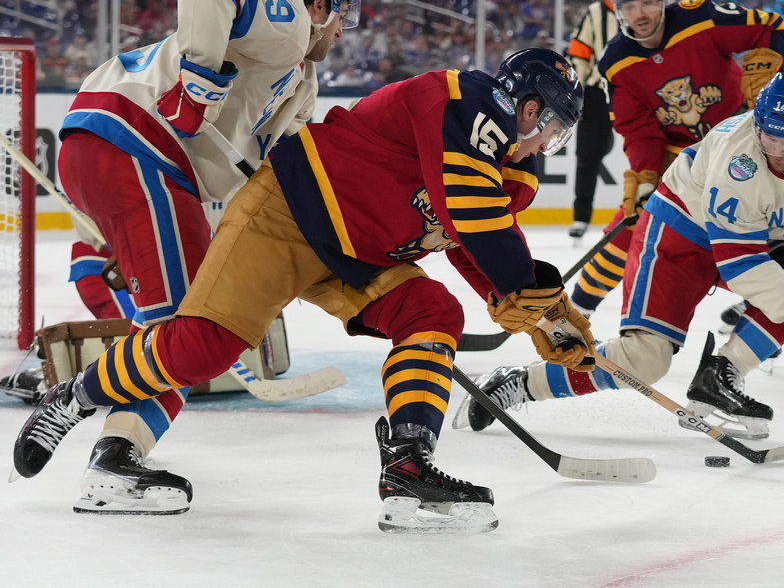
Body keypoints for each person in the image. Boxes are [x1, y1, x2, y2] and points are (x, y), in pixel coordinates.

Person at [13, 48, 595, 533]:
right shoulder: (461, 99)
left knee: (431, 310)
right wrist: (526, 290)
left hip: (360, 255)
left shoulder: (509, 167)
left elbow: (470, 242)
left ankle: (409, 469)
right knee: (203, 347)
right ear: (527, 105)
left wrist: (545, 319)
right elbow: (471, 214)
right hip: (288, 214)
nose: (550, 144)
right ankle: (73, 397)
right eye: (553, 128)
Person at [25, 0, 361, 515]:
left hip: (125, 157)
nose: (342, 31)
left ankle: (113, 454)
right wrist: (200, 81)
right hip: (137, 145)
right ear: (321, 3)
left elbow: (262, 186)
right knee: (188, 340)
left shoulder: (300, 85)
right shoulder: (289, 19)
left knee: (180, 340)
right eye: (343, 14)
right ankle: (84, 413)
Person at [457, 74, 784, 441]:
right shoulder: (737, 162)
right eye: (770, 137)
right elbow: (743, 268)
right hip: (679, 235)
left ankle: (720, 375)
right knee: (644, 361)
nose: (779, 151)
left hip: (754, 236)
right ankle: (521, 383)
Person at [568, 0, 784, 318]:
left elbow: (773, 28)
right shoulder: (615, 62)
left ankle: (764, 312)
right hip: (681, 157)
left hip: (739, 141)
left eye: (645, 2)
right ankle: (577, 311)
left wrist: (763, 67)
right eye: (628, 6)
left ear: (661, 0)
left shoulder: (701, 17)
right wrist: (645, 177)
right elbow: (640, 129)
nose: (638, 14)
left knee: (752, 231)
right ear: (617, 9)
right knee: (631, 226)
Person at [566, 0, 631, 242]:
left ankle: (645, 210)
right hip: (595, 93)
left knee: (646, 155)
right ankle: (581, 217)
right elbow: (579, 54)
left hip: (633, 93)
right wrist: (575, 93)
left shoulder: (640, 11)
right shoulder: (594, 13)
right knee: (587, 156)